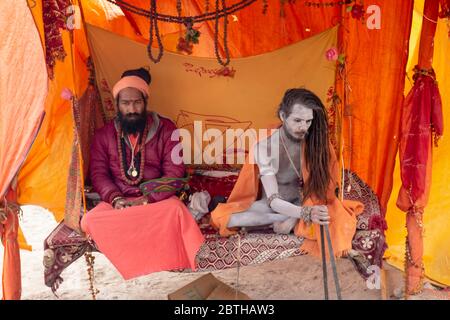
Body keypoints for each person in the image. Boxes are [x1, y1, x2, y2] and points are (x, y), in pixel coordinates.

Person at [81, 68, 204, 279]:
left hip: (155, 202)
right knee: (89, 221)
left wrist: (146, 199)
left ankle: (166, 259)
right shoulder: (104, 135)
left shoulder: (166, 129)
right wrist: (116, 198)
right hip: (119, 202)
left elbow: (175, 173)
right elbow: (99, 174)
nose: (132, 109)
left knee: (176, 211)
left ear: (145, 101)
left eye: (137, 102)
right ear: (117, 105)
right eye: (125, 103)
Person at [211, 88, 364, 258]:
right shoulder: (264, 146)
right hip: (273, 205)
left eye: (308, 121)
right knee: (225, 219)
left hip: (307, 200)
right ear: (283, 116)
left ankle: (290, 222)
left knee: (333, 213)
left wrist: (306, 209)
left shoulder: (317, 142)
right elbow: (273, 200)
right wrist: (302, 214)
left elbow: (324, 189)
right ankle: (282, 220)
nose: (303, 127)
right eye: (297, 120)